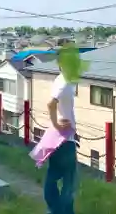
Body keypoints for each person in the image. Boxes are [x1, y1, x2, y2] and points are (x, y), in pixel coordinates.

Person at [44, 68, 78, 214]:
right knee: (68, 181)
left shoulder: (61, 79)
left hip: (61, 137)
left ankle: (56, 209)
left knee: (54, 175)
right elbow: (51, 104)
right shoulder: (64, 82)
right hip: (63, 139)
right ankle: (59, 211)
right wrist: (57, 125)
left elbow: (64, 110)